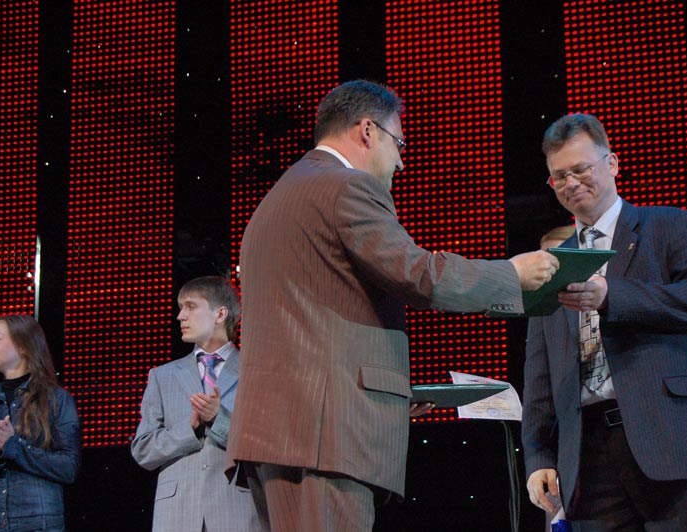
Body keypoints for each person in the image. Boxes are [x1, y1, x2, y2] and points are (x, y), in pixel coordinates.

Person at [226, 79, 560, 532]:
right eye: (398, 144)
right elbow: (418, 274)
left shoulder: (280, 196)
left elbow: (314, 318)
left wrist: (385, 395)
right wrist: (511, 274)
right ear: (368, 131)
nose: (401, 162)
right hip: (324, 437)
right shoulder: (347, 187)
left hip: (280, 433)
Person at [522, 113, 687, 531]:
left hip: (670, 439)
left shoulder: (669, 224)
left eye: (581, 169)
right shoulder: (549, 263)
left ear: (612, 163)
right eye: (559, 177)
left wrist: (612, 296)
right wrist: (539, 456)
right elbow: (540, 370)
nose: (571, 183)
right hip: (587, 458)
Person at [131, 276, 266, 531]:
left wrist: (219, 419)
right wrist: (190, 428)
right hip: (178, 514)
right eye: (181, 308)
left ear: (220, 314)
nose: (180, 316)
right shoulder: (162, 376)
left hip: (237, 510)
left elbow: (266, 444)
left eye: (191, 307)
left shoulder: (256, 373)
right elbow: (143, 450)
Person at [0, 314, 80, 532]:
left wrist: (13, 446)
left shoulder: (56, 399)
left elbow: (68, 467)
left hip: (37, 523)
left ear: (23, 346)